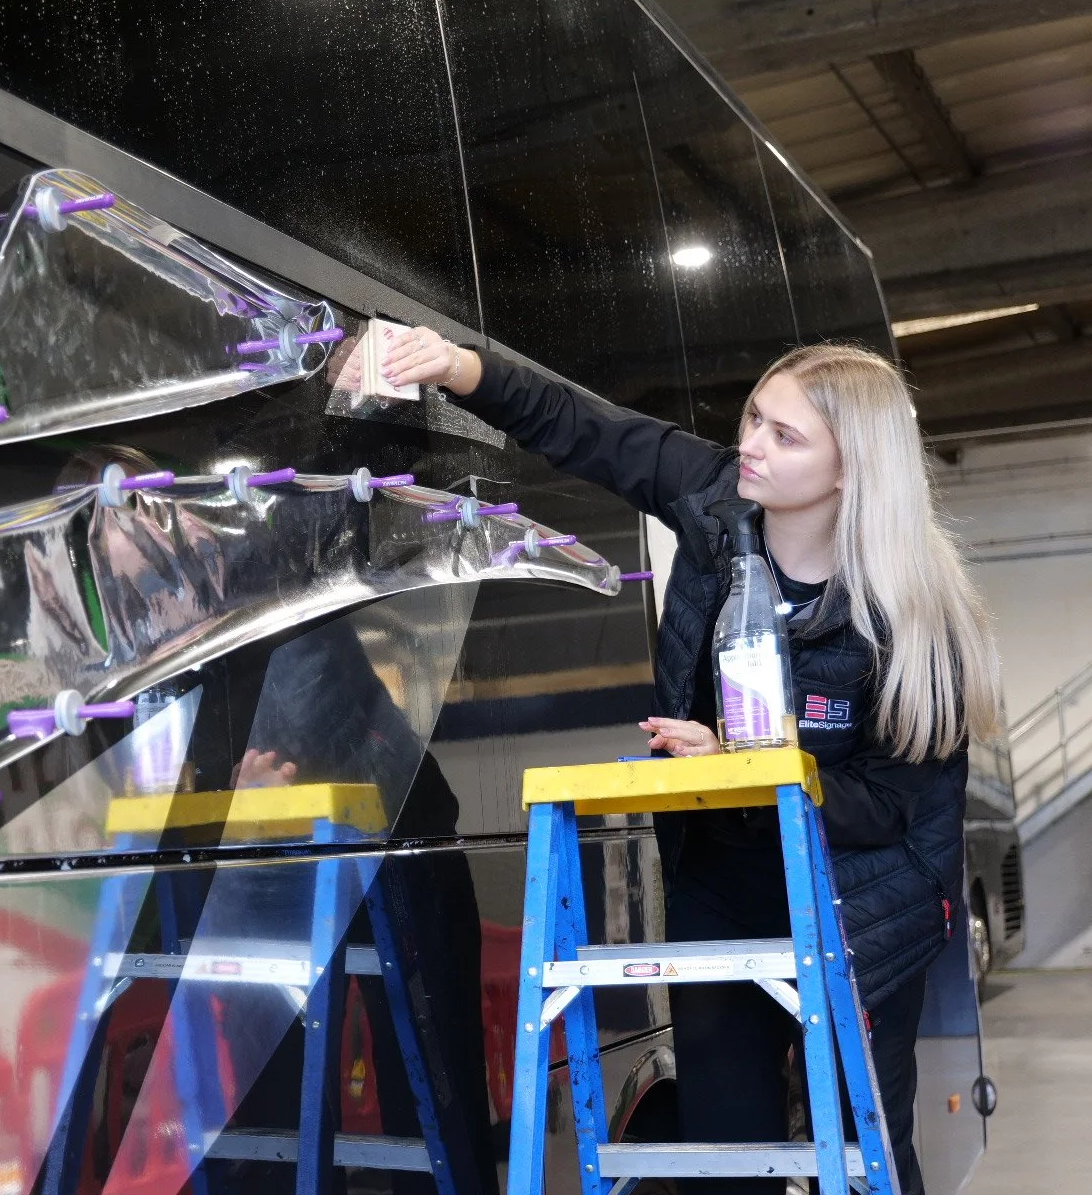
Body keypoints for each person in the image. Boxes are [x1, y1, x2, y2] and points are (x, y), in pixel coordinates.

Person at [376, 332, 998, 1195]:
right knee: (723, 1148)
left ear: (851, 471)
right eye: (754, 418)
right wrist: (459, 369)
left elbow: (892, 805)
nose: (751, 444)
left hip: (860, 892)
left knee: (863, 1144)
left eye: (786, 437)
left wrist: (761, 759)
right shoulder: (713, 497)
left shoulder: (912, 617)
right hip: (723, 870)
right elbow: (580, 425)